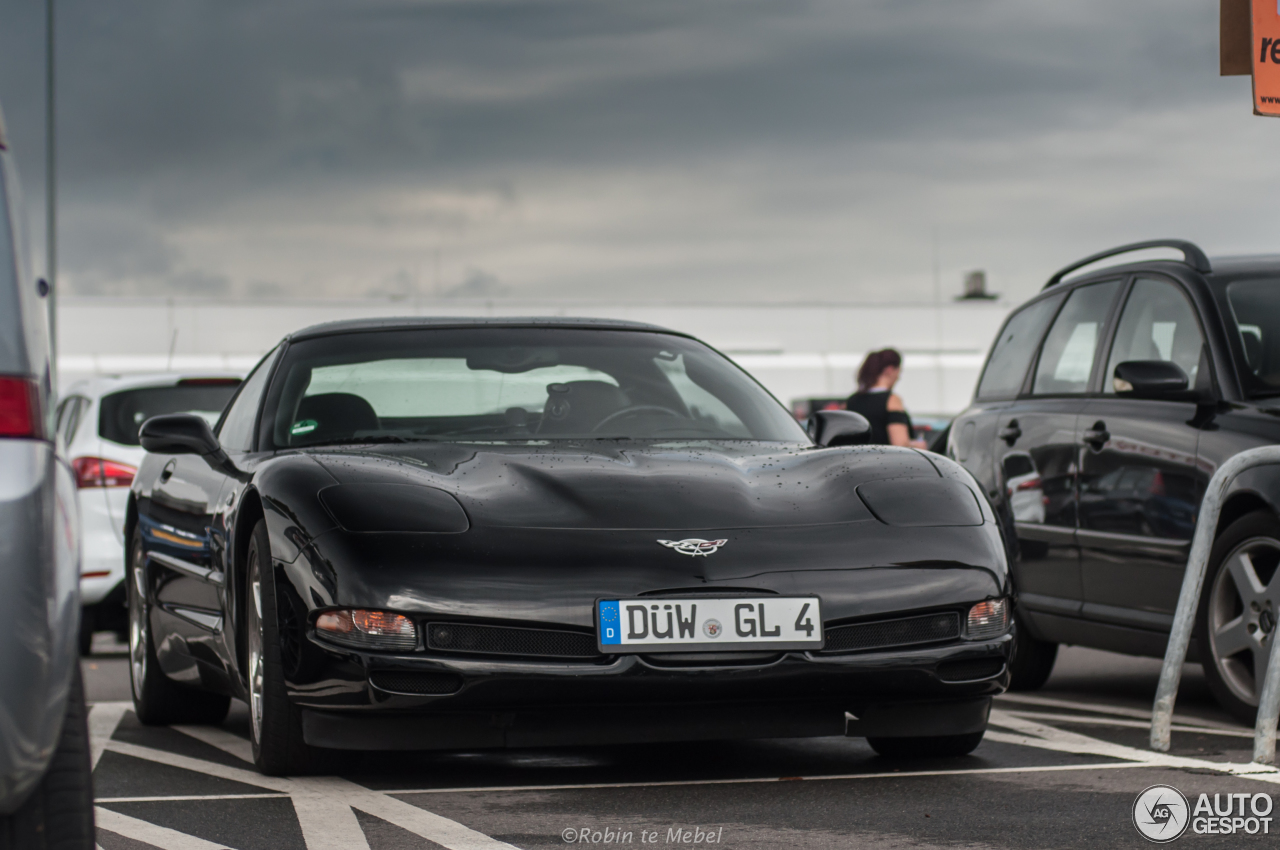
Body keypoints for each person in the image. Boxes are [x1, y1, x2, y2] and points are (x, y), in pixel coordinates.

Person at [845, 348, 926, 448]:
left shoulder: (851, 401)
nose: (899, 378)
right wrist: (918, 445)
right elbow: (900, 444)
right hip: (885, 462)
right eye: (898, 372)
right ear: (890, 370)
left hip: (858, 461)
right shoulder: (891, 400)